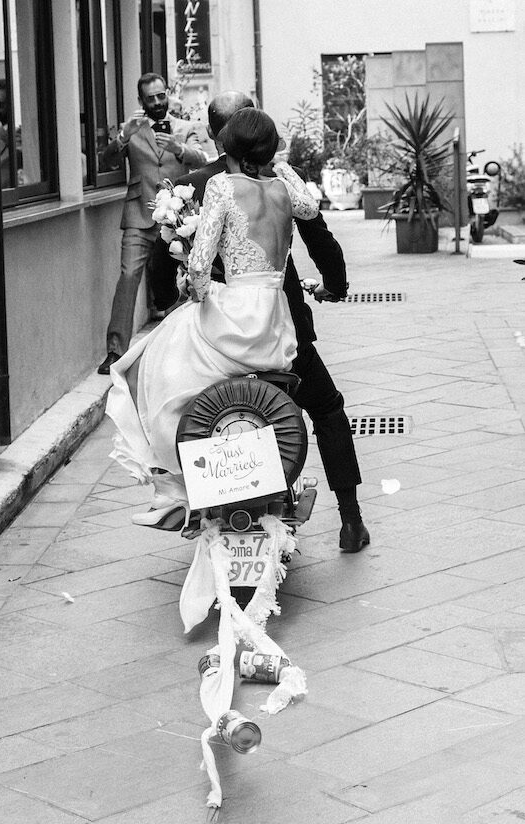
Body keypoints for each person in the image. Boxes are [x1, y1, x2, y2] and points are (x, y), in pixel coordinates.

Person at [141, 91, 369, 553]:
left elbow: (167, 261)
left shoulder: (198, 184)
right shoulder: (286, 184)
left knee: (170, 383)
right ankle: (350, 518)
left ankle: (186, 496)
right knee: (326, 409)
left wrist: (179, 298)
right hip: (281, 327)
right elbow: (320, 238)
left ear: (217, 134)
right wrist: (335, 285)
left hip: (221, 326)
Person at [105, 108, 319, 526]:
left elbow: (200, 264)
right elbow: (310, 209)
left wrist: (196, 295)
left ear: (227, 148)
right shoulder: (282, 191)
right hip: (275, 324)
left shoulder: (221, 185)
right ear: (268, 150)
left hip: (233, 317)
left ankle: (173, 489)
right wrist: (284, 166)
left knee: (150, 365)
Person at [97, 73, 206, 375]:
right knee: (128, 275)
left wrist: (178, 149)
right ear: (141, 101)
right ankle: (115, 351)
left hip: (177, 218)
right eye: (151, 98)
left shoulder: (185, 129)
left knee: (181, 280)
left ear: (167, 95)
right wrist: (121, 137)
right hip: (138, 214)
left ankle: (178, 347)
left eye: (161, 96)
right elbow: (105, 162)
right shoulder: (131, 129)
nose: (157, 102)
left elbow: (203, 160)